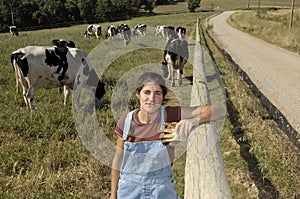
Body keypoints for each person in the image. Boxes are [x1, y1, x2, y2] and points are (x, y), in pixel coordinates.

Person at [110, 72, 224, 199]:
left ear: (163, 96)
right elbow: (118, 160)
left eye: (157, 93)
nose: (152, 98)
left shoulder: (169, 115)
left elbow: (217, 110)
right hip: (129, 191)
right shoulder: (126, 123)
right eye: (147, 92)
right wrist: (113, 194)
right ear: (138, 94)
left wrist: (193, 121)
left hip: (161, 190)